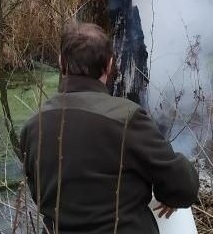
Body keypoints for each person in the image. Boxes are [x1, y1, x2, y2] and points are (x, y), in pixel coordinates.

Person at [20, 22, 199, 233]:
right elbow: (183, 186)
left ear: (61, 63)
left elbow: (38, 193)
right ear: (109, 64)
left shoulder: (32, 127)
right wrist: (171, 194)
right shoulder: (126, 118)